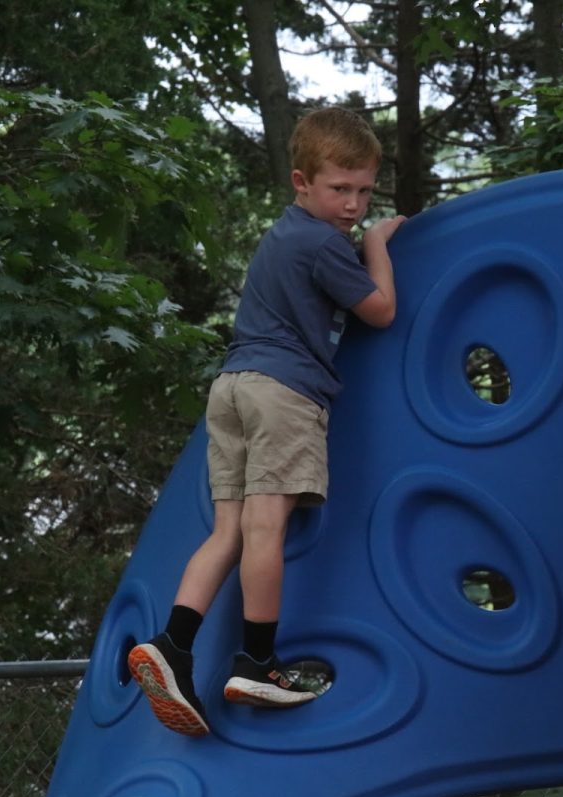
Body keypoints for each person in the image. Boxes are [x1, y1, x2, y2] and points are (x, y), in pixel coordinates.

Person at [127, 107, 407, 737]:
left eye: (364, 192)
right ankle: (256, 662)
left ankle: (173, 645)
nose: (353, 204)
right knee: (265, 530)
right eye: (340, 189)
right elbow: (382, 311)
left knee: (228, 532)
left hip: (230, 389)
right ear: (302, 183)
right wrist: (377, 245)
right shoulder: (327, 244)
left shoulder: (281, 234)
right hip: (283, 392)